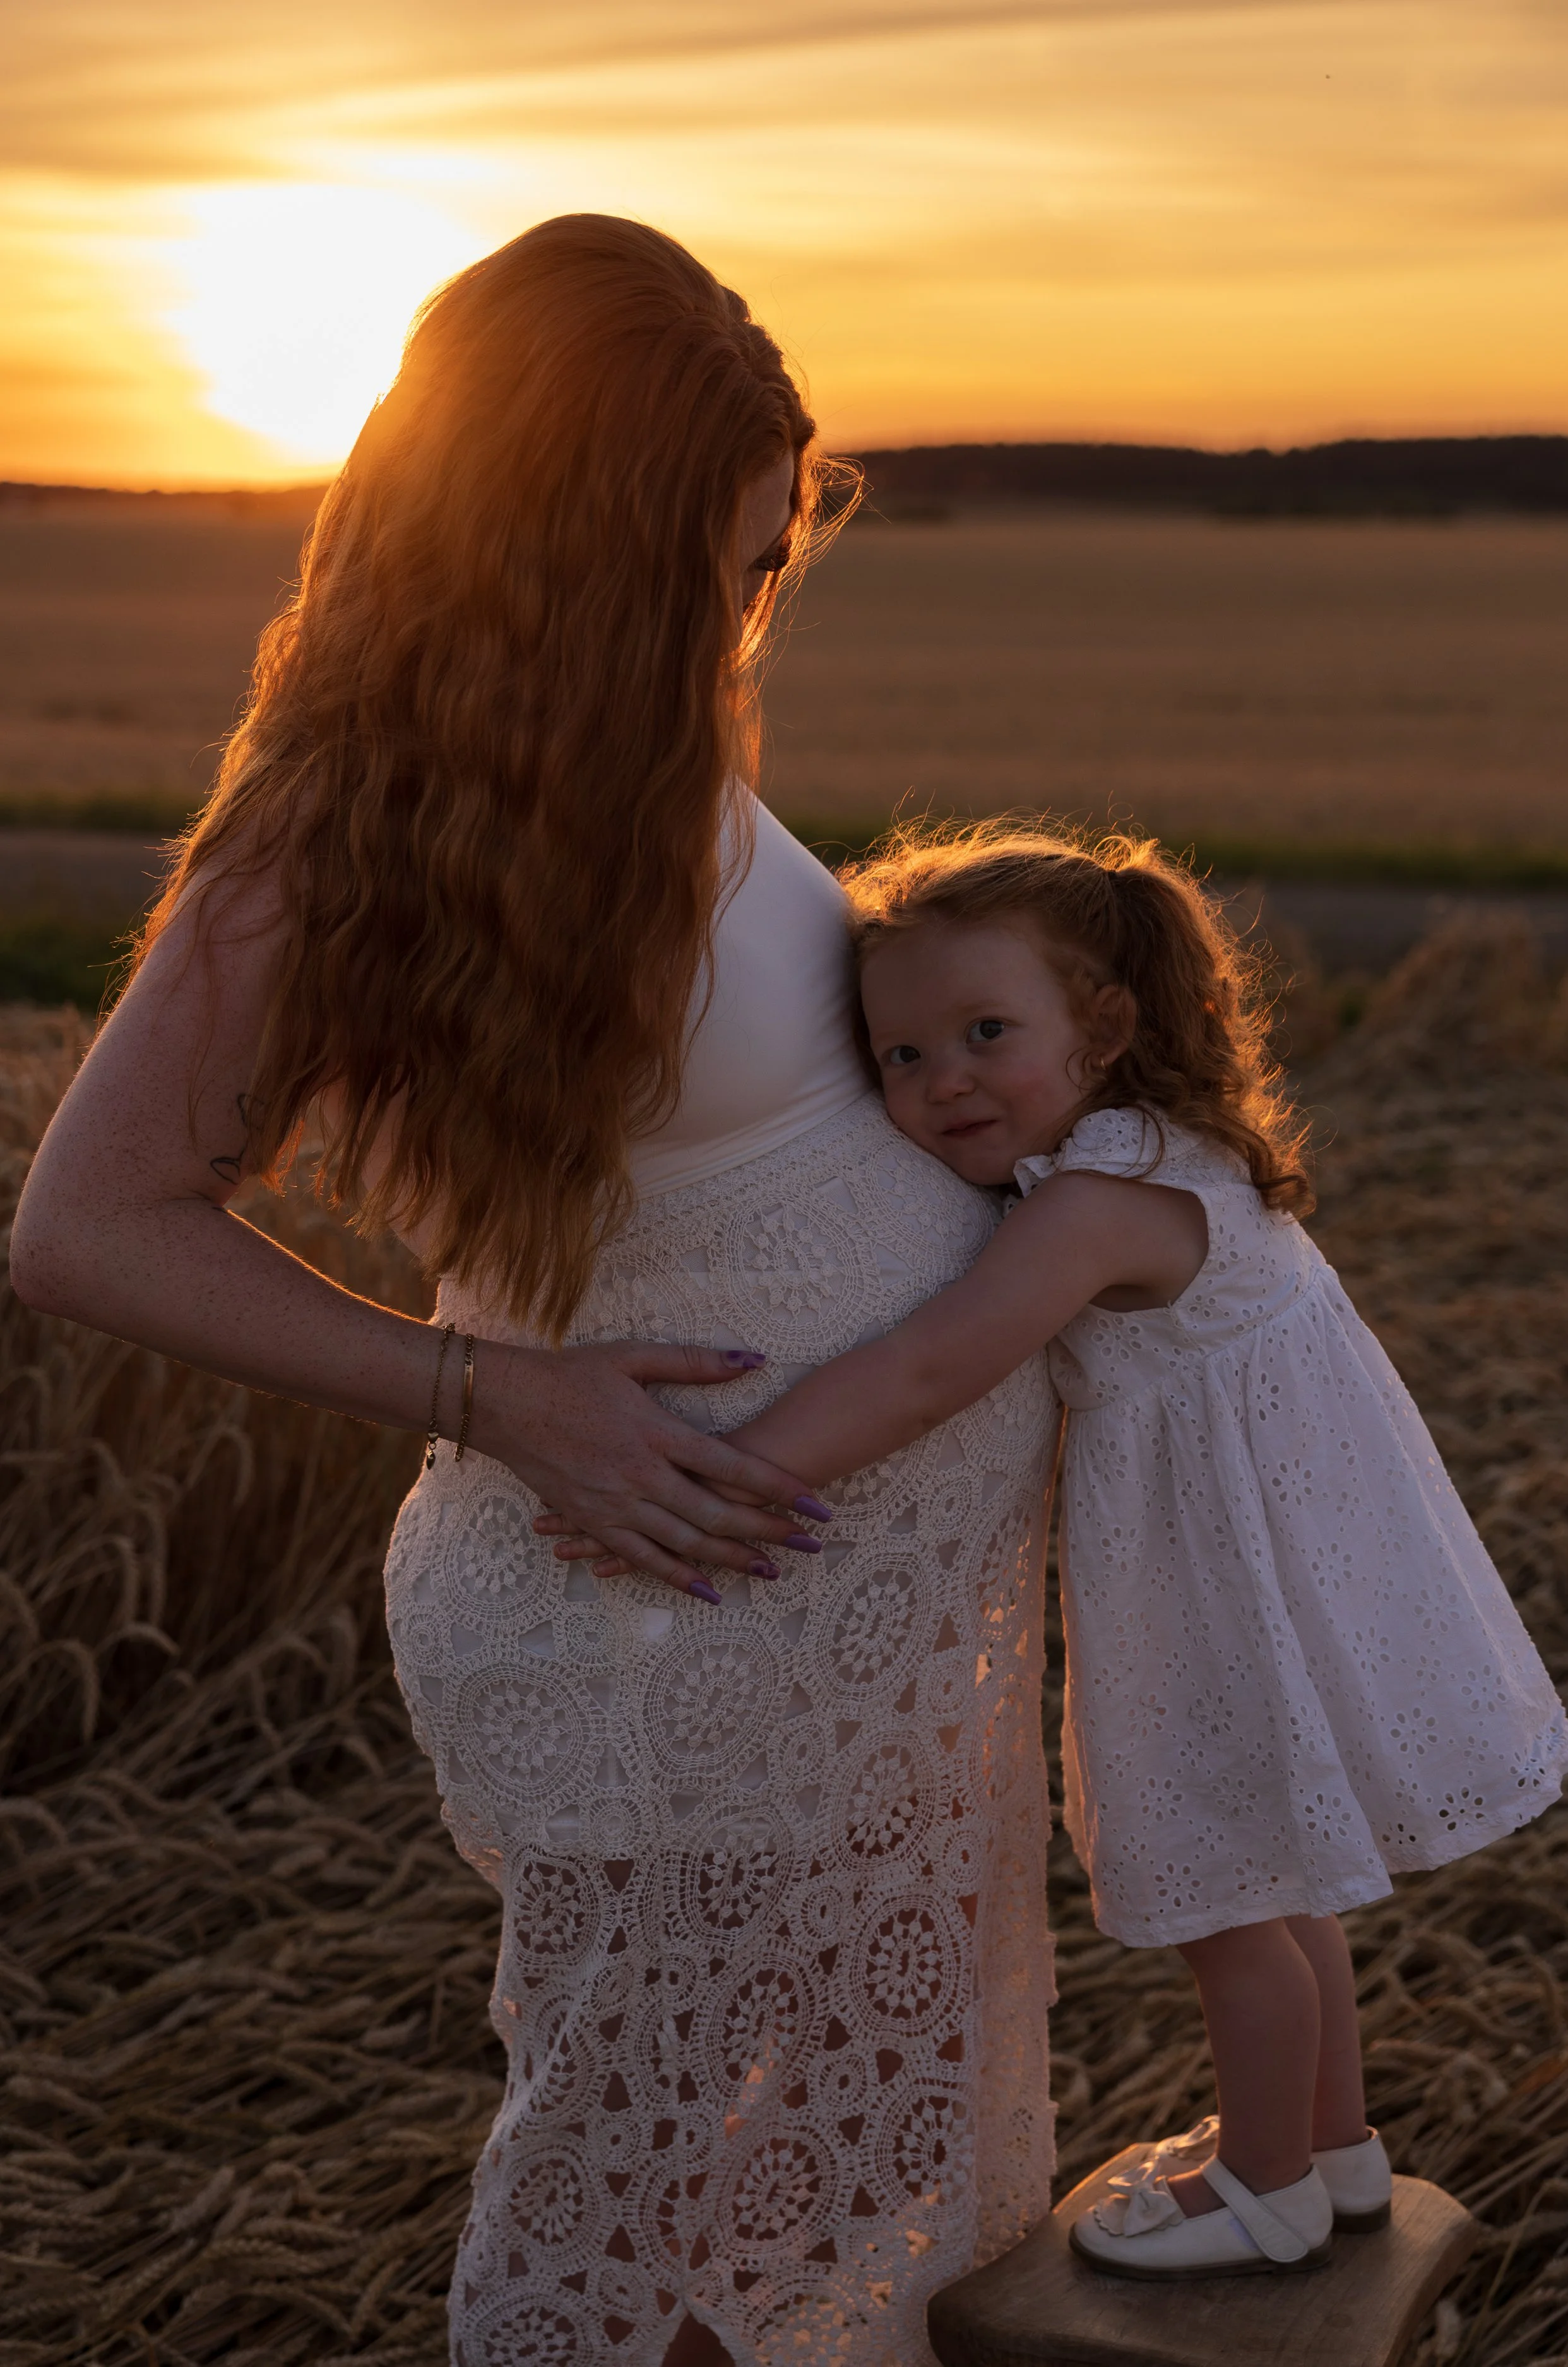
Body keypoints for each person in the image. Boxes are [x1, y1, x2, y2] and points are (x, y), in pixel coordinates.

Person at [8, 219, 1061, 2363]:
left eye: (766, 563)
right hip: (658, 1629)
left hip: (821, 1629)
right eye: (715, 563)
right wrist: (499, 1396)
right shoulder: (333, 828)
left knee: (795, 2226)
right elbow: (90, 1222)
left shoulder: (655, 761)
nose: (745, 609)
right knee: (638, 2229)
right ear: (570, 550)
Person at [549, 823, 1568, 2281]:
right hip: (1275, 1575)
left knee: (1225, 1905)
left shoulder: (1096, 1209)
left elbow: (922, 1369)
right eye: (899, 1058)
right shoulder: (1167, 1155)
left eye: (983, 1034)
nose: (941, 1080)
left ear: (1102, 1029)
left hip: (1214, 1599)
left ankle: (1263, 2187)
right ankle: (1337, 2155)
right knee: (1284, 1885)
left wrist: (705, 1475)